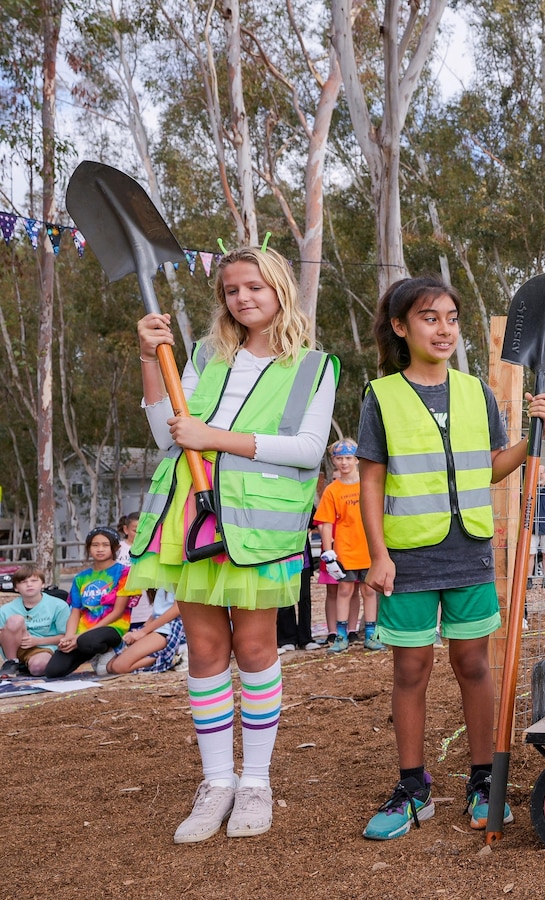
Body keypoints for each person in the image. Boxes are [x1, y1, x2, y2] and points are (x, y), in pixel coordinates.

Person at [127, 246, 338, 843]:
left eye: (254, 287)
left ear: (278, 290)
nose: (242, 298)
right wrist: (150, 358)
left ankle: (256, 784)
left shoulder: (314, 366)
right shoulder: (204, 355)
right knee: (205, 651)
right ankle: (217, 781)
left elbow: (305, 448)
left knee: (254, 648)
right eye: (230, 290)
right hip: (191, 518)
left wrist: (214, 437)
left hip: (257, 528)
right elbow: (166, 431)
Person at [355, 276, 545, 839]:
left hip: (469, 551)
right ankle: (413, 787)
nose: (443, 329)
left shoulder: (475, 392)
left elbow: (491, 466)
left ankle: (484, 779)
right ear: (400, 327)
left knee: (473, 666)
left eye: (450, 318)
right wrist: (378, 555)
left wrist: (533, 434)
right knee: (411, 668)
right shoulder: (382, 397)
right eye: (428, 317)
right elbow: (370, 484)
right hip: (409, 557)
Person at [315, 439, 378, 651]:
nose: (344, 463)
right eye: (339, 458)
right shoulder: (332, 490)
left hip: (369, 549)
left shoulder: (369, 484)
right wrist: (328, 552)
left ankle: (371, 634)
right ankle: (340, 636)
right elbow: (325, 522)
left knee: (369, 591)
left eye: (348, 458)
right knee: (344, 591)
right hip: (345, 551)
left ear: (357, 459)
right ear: (333, 460)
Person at [45, 528, 131, 678]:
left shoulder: (124, 573)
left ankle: (108, 650)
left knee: (87, 641)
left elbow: (118, 612)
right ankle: (92, 653)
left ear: (115, 547)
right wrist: (69, 637)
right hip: (84, 632)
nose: (100, 549)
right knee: (53, 671)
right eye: (95, 545)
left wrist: (80, 637)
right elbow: (75, 611)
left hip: (113, 627)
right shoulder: (81, 578)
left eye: (105, 545)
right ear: (88, 548)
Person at [0, 564, 69, 677]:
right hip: (14, 648)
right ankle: (12, 662)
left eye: (34, 581)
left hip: (43, 647)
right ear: (16, 588)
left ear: (42, 584)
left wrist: (37, 641)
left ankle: (27, 665)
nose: (29, 585)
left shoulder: (59, 605)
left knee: (38, 668)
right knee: (15, 620)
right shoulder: (5, 610)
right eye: (23, 582)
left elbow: (65, 636)